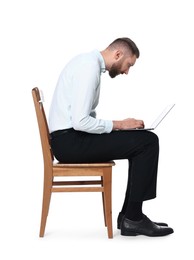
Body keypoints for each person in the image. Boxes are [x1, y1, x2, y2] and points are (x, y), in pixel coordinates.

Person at [49, 37, 174, 237]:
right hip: (69, 143)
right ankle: (133, 218)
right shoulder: (88, 68)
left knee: (140, 140)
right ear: (118, 55)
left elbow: (83, 119)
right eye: (128, 65)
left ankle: (129, 216)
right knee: (148, 142)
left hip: (69, 140)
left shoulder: (88, 64)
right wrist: (119, 125)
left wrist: (118, 130)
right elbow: (80, 122)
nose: (127, 71)